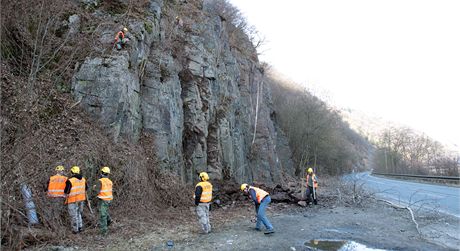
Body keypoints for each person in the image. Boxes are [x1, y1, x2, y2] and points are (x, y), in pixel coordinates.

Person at [64, 166, 87, 234]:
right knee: (79, 213)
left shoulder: (70, 181)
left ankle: (75, 230)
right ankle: (80, 227)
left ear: (72, 172)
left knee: (73, 215)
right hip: (81, 200)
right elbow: (86, 188)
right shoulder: (83, 179)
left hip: (73, 200)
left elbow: (66, 191)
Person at [94, 166, 113, 236]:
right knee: (105, 212)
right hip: (109, 199)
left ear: (102, 173)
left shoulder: (100, 181)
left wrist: (94, 189)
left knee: (103, 215)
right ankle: (109, 220)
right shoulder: (110, 181)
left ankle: (104, 232)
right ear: (108, 174)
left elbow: (96, 191)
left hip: (103, 200)